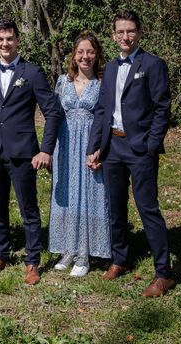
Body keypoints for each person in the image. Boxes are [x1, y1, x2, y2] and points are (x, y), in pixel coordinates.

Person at [86, 10, 174, 297]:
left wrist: (150, 146)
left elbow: (162, 109)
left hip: (140, 149)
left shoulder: (153, 64)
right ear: (113, 36)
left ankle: (164, 273)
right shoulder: (109, 68)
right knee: (116, 207)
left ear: (139, 33)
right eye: (120, 32)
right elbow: (102, 110)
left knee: (147, 208)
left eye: (131, 31)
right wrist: (94, 146)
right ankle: (120, 259)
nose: (125, 36)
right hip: (113, 147)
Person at [0, 17, 61, 285]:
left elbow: (53, 112)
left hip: (24, 153)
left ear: (17, 40)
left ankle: (32, 260)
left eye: (9, 38)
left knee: (29, 209)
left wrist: (46, 150)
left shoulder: (32, 73)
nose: (5, 44)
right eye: (0, 39)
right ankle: (1, 253)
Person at [49, 31, 110, 277]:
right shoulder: (63, 81)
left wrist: (99, 149)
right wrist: (49, 149)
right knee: (65, 194)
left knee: (88, 194)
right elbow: (54, 116)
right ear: (73, 56)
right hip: (65, 143)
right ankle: (68, 248)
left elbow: (105, 118)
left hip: (90, 144)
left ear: (97, 55)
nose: (85, 57)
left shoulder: (102, 83)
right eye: (80, 52)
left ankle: (84, 254)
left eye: (90, 52)